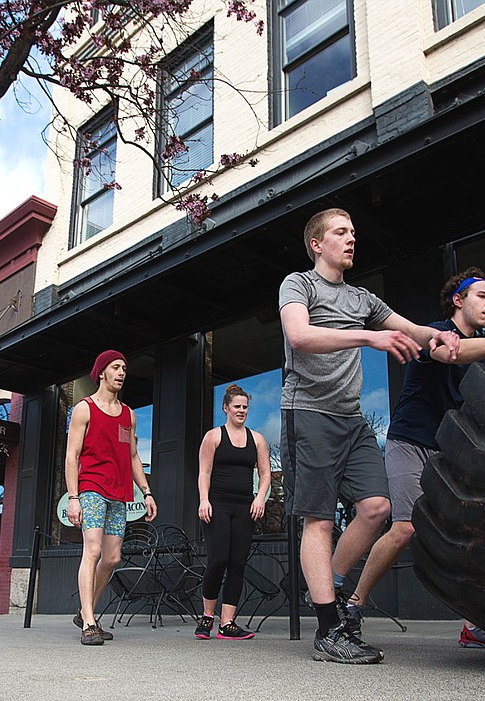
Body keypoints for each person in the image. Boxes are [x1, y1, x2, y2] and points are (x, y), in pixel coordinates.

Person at [279, 207, 459, 664]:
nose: (351, 239)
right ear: (317, 244)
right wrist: (367, 338)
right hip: (310, 412)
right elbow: (299, 336)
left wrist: (439, 338)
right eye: (340, 232)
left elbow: (413, 330)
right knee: (318, 519)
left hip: (352, 419)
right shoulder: (299, 284)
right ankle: (328, 629)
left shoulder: (362, 298)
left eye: (354, 232)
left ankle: (330, 589)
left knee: (377, 507)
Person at [343, 268, 485, 649]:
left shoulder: (483, 349)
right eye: (482, 296)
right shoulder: (436, 333)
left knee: (467, 534)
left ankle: (475, 623)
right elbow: (448, 354)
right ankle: (352, 606)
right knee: (405, 528)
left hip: (450, 449)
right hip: (410, 441)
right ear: (458, 300)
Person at [65, 349, 158, 646]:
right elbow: (71, 456)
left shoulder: (129, 415)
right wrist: (73, 497)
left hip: (119, 494)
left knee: (113, 557)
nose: (121, 373)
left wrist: (146, 492)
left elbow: (132, 456)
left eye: (124, 369)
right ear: (102, 372)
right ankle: (90, 624)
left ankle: (84, 609)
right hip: (91, 488)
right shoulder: (85, 408)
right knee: (92, 551)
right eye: (116, 367)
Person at [195, 384, 273, 640]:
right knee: (218, 560)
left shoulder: (258, 439)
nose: (241, 411)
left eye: (245, 407)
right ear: (226, 408)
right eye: (237, 406)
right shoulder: (214, 436)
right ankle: (207, 617)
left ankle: (227, 623)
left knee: (237, 563)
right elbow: (204, 472)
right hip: (217, 505)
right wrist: (204, 500)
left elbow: (265, 474)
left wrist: (260, 498)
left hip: (245, 507)